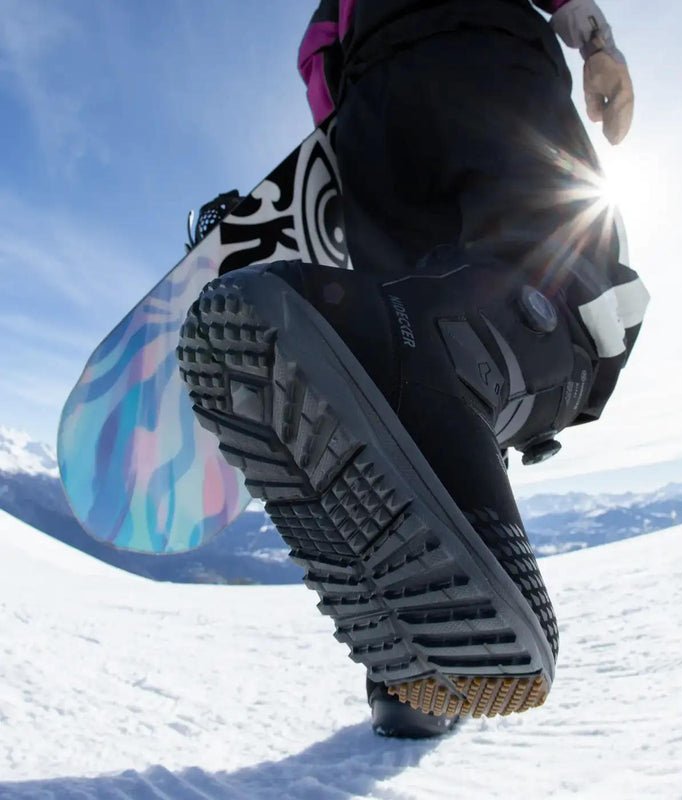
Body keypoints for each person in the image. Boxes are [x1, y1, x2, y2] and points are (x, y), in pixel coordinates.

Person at [179, 0, 648, 739]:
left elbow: (317, 49)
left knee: (409, 351)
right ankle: (432, 653)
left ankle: (412, 681)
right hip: (489, 49)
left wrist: (348, 137)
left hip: (371, 105)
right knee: (566, 300)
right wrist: (597, 42)